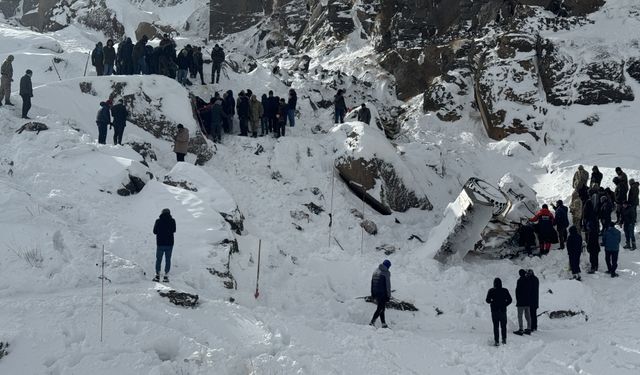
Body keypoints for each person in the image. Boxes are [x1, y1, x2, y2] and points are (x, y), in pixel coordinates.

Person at [485, 277, 512, 346]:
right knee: (503, 326)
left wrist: (492, 302)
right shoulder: (505, 290)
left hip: (494, 311)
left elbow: (487, 300)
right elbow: (510, 300)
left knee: (495, 326)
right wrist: (505, 304)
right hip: (503, 310)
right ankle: (504, 339)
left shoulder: (491, 290)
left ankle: (496, 341)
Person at [153, 208, 176, 282]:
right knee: (168, 259)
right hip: (169, 244)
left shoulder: (158, 221)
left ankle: (157, 275)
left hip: (160, 243)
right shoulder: (172, 221)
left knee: (159, 259)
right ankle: (166, 276)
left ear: (162, 213)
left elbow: (155, 231)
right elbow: (174, 230)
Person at [369, 259, 391, 328]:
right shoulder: (385, 272)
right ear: (388, 266)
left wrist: (372, 293)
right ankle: (372, 322)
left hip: (376, 293)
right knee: (380, 308)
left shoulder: (376, 271)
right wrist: (388, 295)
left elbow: (372, 283)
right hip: (382, 293)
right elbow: (388, 285)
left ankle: (383, 323)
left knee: (382, 308)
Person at [583, 198, 601, 273]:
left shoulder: (588, 216)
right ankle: (595, 266)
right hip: (595, 240)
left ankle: (593, 267)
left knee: (592, 255)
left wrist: (588, 246)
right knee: (595, 255)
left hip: (592, 240)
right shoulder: (594, 215)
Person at [513, 269, 532, 336]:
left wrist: (518, 299)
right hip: (527, 301)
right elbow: (530, 290)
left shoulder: (519, 281)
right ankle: (529, 328)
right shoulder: (528, 280)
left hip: (521, 302)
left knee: (520, 316)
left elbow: (517, 291)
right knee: (528, 315)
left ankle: (521, 329)